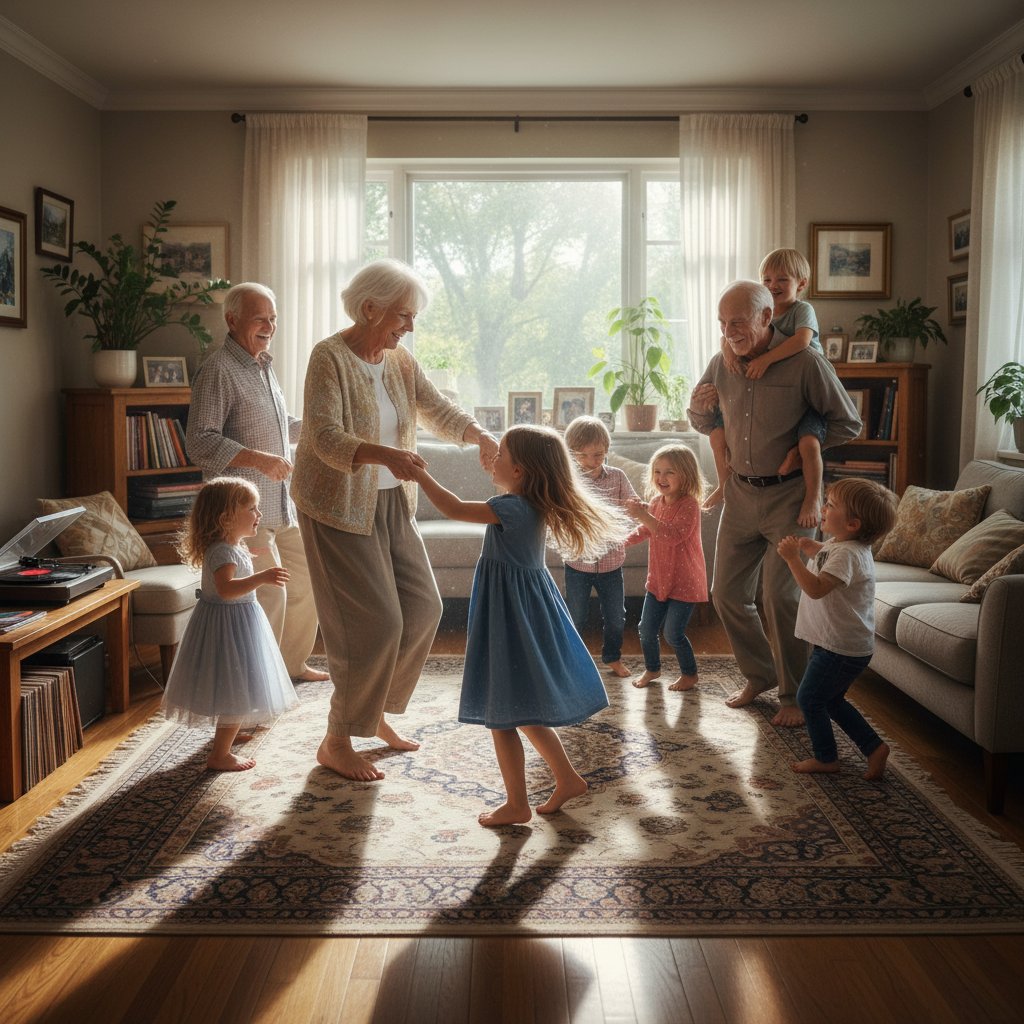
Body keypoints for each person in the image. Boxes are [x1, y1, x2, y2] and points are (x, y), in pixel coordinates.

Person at [291, 258, 500, 783]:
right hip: (337, 503)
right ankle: (337, 739)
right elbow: (322, 435)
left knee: (425, 609)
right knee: (375, 625)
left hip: (391, 503)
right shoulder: (329, 358)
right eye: (403, 315)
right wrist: (387, 456)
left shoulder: (400, 362)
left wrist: (480, 435)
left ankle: (374, 711)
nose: (410, 326)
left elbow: (436, 407)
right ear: (369, 309)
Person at [411, 425, 632, 826]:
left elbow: (455, 509)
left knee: (503, 710)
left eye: (501, 455)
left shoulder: (511, 507)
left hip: (511, 616)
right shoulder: (526, 502)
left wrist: (421, 474)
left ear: (521, 470)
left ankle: (517, 804)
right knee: (519, 708)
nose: (493, 460)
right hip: (519, 611)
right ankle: (566, 778)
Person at [688, 280, 860, 727]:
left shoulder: (806, 362)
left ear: (766, 317)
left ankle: (795, 695)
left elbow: (849, 422)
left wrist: (805, 450)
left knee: (781, 597)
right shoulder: (720, 361)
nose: (729, 332)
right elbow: (703, 419)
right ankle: (760, 674)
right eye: (723, 324)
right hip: (740, 494)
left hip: (789, 500)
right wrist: (696, 406)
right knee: (725, 592)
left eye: (738, 323)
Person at [186, 282, 327, 684]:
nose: (269, 326)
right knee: (271, 593)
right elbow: (200, 441)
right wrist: (259, 460)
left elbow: (280, 428)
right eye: (259, 318)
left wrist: (323, 431)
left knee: (308, 582)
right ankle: (253, 686)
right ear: (232, 320)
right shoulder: (218, 370)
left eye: (273, 318)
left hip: (280, 505)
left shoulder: (264, 366)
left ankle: (289, 668)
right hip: (242, 513)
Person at [160, 477, 298, 772]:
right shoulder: (223, 551)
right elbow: (226, 589)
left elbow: (230, 573)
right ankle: (220, 754)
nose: (258, 515)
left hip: (234, 620)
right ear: (226, 517)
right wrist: (261, 577)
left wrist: (248, 557)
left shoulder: (229, 546)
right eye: (252, 508)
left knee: (235, 683)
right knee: (236, 685)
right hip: (230, 623)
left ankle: (229, 732)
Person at [777, 477, 898, 778]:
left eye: (831, 505)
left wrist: (793, 560)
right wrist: (811, 548)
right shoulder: (844, 544)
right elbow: (828, 555)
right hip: (843, 646)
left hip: (839, 649)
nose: (823, 508)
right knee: (831, 700)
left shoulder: (847, 554)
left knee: (809, 699)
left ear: (854, 524)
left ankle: (827, 758)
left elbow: (816, 588)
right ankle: (874, 747)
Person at [704, 248, 826, 528]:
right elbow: (727, 334)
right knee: (716, 433)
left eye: (782, 280)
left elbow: (802, 343)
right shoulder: (753, 311)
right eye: (766, 279)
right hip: (745, 489)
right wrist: (729, 352)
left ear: (802, 284)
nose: (773, 286)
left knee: (808, 443)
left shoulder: (801, 310)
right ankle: (725, 483)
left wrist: (767, 359)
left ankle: (813, 497)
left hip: (808, 399)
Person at [624, 444, 708, 691]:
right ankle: (652, 668)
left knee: (673, 634)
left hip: (685, 582)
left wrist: (643, 516)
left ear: (686, 475)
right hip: (659, 579)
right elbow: (647, 530)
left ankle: (690, 674)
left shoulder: (690, 505)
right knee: (646, 629)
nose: (661, 478)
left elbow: (671, 535)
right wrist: (622, 542)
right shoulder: (655, 502)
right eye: (657, 471)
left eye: (669, 472)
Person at [562, 415, 638, 678]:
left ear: (606, 451)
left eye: (598, 455)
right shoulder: (568, 480)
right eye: (583, 456)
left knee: (616, 617)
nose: (591, 462)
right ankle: (573, 660)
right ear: (571, 454)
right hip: (577, 564)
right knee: (576, 616)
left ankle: (612, 657)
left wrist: (638, 508)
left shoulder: (617, 477)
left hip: (611, 563)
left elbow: (632, 503)